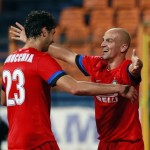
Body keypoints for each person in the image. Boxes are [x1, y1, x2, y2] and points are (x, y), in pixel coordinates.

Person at [1, 11, 138, 150]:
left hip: (14, 142)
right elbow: (74, 87)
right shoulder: (40, 60)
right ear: (44, 32)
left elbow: (4, 100)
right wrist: (118, 88)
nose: (51, 41)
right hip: (38, 140)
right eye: (52, 35)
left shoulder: (9, 61)